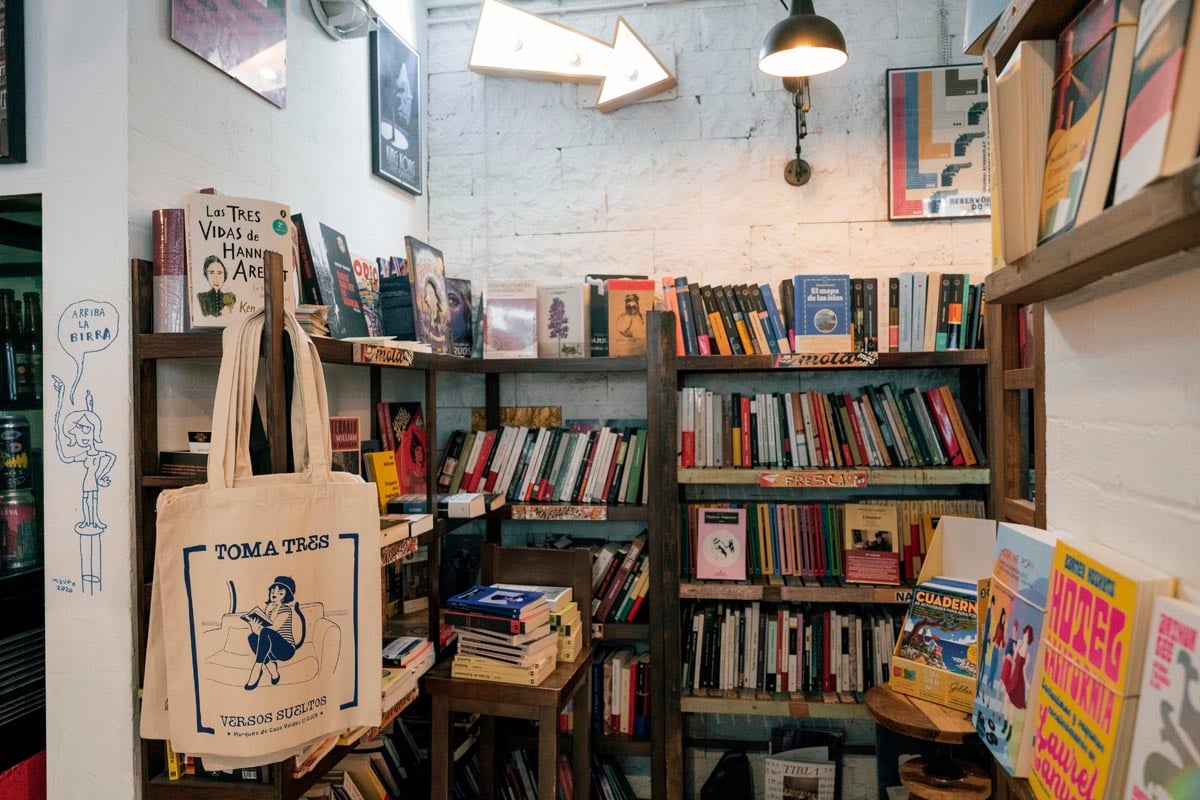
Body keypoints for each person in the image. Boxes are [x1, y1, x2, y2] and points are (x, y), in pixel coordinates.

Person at [244, 576, 307, 691]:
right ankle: (273, 670)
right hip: (272, 649)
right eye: (273, 590)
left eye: (280, 592)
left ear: (285, 596)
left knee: (265, 631)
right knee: (252, 637)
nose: (275, 593)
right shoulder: (269, 609)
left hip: (286, 649)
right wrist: (253, 625)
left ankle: (257, 669)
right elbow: (261, 634)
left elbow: (272, 629)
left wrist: (261, 624)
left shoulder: (286, 609)